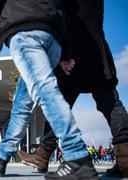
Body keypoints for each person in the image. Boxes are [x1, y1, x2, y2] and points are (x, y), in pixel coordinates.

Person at [0, 0, 98, 179]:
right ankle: (2, 156)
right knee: (22, 103)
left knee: (45, 90)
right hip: (52, 38)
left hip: (24, 29)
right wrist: (65, 52)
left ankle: (77, 156)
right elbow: (65, 10)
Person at [17, 0, 128, 178]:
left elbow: (60, 16)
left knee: (58, 107)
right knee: (111, 103)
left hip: (72, 52)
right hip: (97, 51)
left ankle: (42, 155)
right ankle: (125, 160)